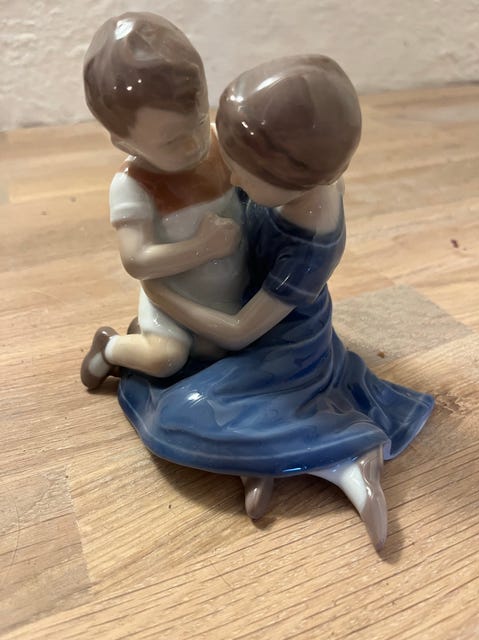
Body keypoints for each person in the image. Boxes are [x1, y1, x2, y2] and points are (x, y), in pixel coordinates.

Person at [120, 55, 434, 550]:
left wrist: (164, 295)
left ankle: (343, 450)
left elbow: (239, 332)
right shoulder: (304, 174)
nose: (230, 179)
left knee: (184, 411)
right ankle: (260, 460)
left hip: (281, 346)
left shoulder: (309, 244)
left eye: (242, 174)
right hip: (241, 304)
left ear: (293, 178)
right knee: (191, 376)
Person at [80, 12, 246, 389]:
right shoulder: (133, 186)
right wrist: (201, 248)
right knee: (166, 357)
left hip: (234, 292)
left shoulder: (219, 142)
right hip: (172, 298)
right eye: (171, 141)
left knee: (238, 344)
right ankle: (110, 349)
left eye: (198, 121)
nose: (194, 144)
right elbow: (136, 259)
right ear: (124, 143)